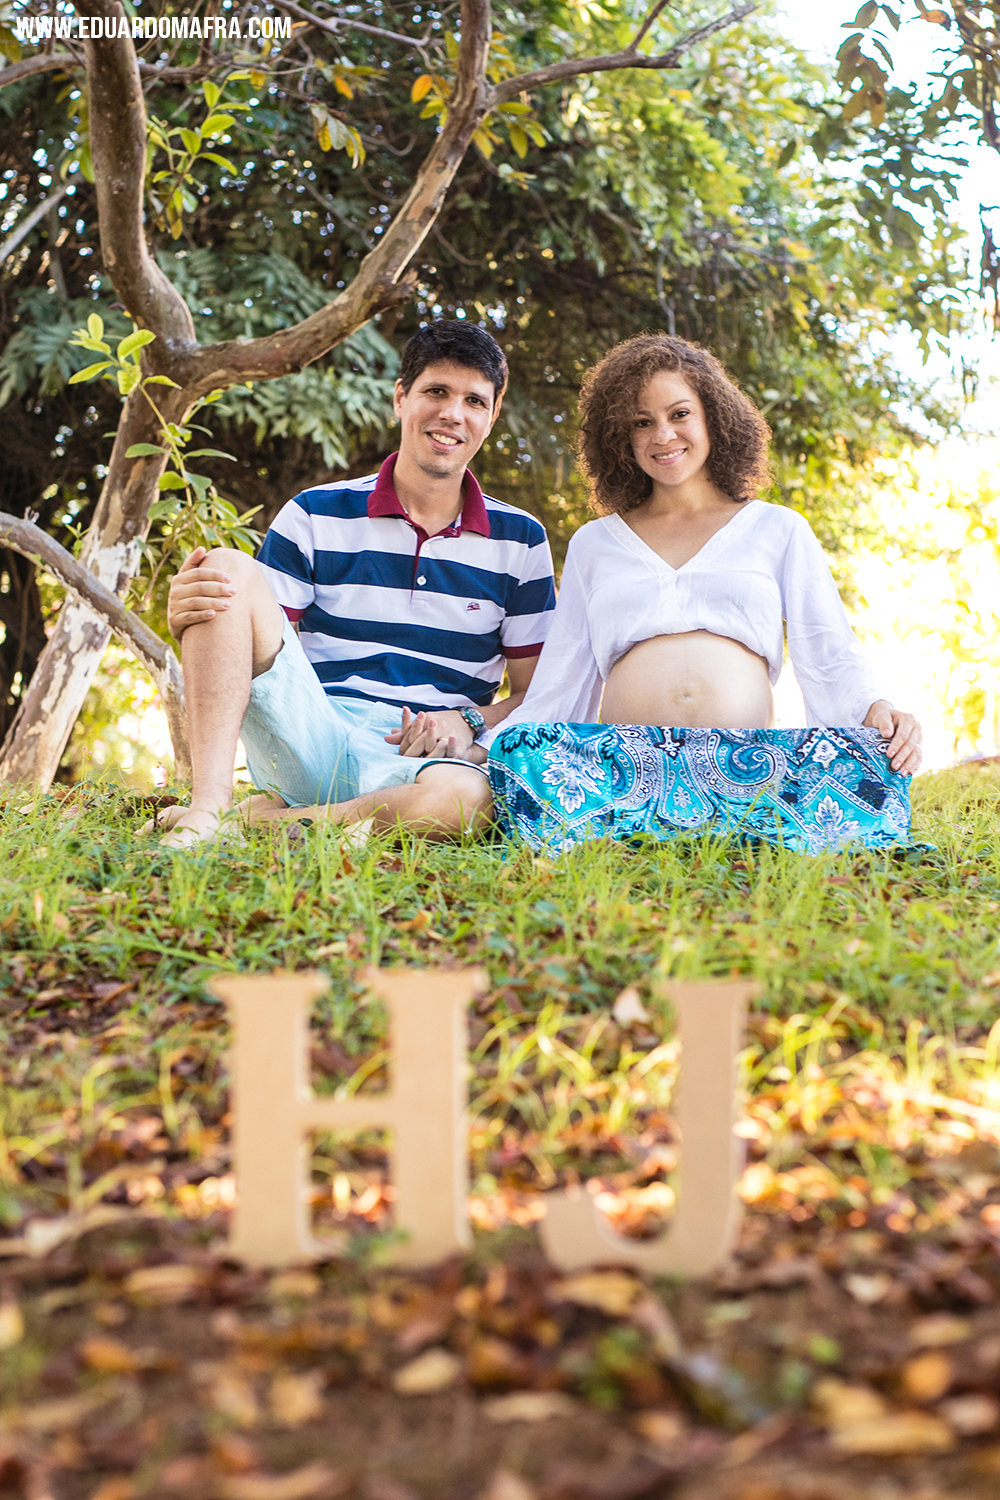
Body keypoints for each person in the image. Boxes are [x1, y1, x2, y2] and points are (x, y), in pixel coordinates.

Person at [482, 334, 922, 855]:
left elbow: (828, 650)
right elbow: (562, 681)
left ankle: (745, 829)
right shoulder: (594, 544)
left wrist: (874, 708)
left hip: (754, 775)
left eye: (679, 413)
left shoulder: (778, 529)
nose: (662, 434)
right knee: (519, 761)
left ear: (714, 415)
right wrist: (488, 751)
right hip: (622, 780)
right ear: (619, 437)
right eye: (641, 422)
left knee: (864, 773)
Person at [151, 322, 556, 848]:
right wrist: (196, 607)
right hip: (312, 732)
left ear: (491, 417)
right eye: (436, 391)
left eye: (474, 401)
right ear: (401, 398)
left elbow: (537, 694)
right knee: (226, 569)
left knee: (468, 802)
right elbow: (255, 645)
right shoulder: (314, 513)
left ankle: (256, 824)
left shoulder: (521, 541)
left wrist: (469, 722)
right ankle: (209, 806)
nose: (452, 414)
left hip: (421, 764)